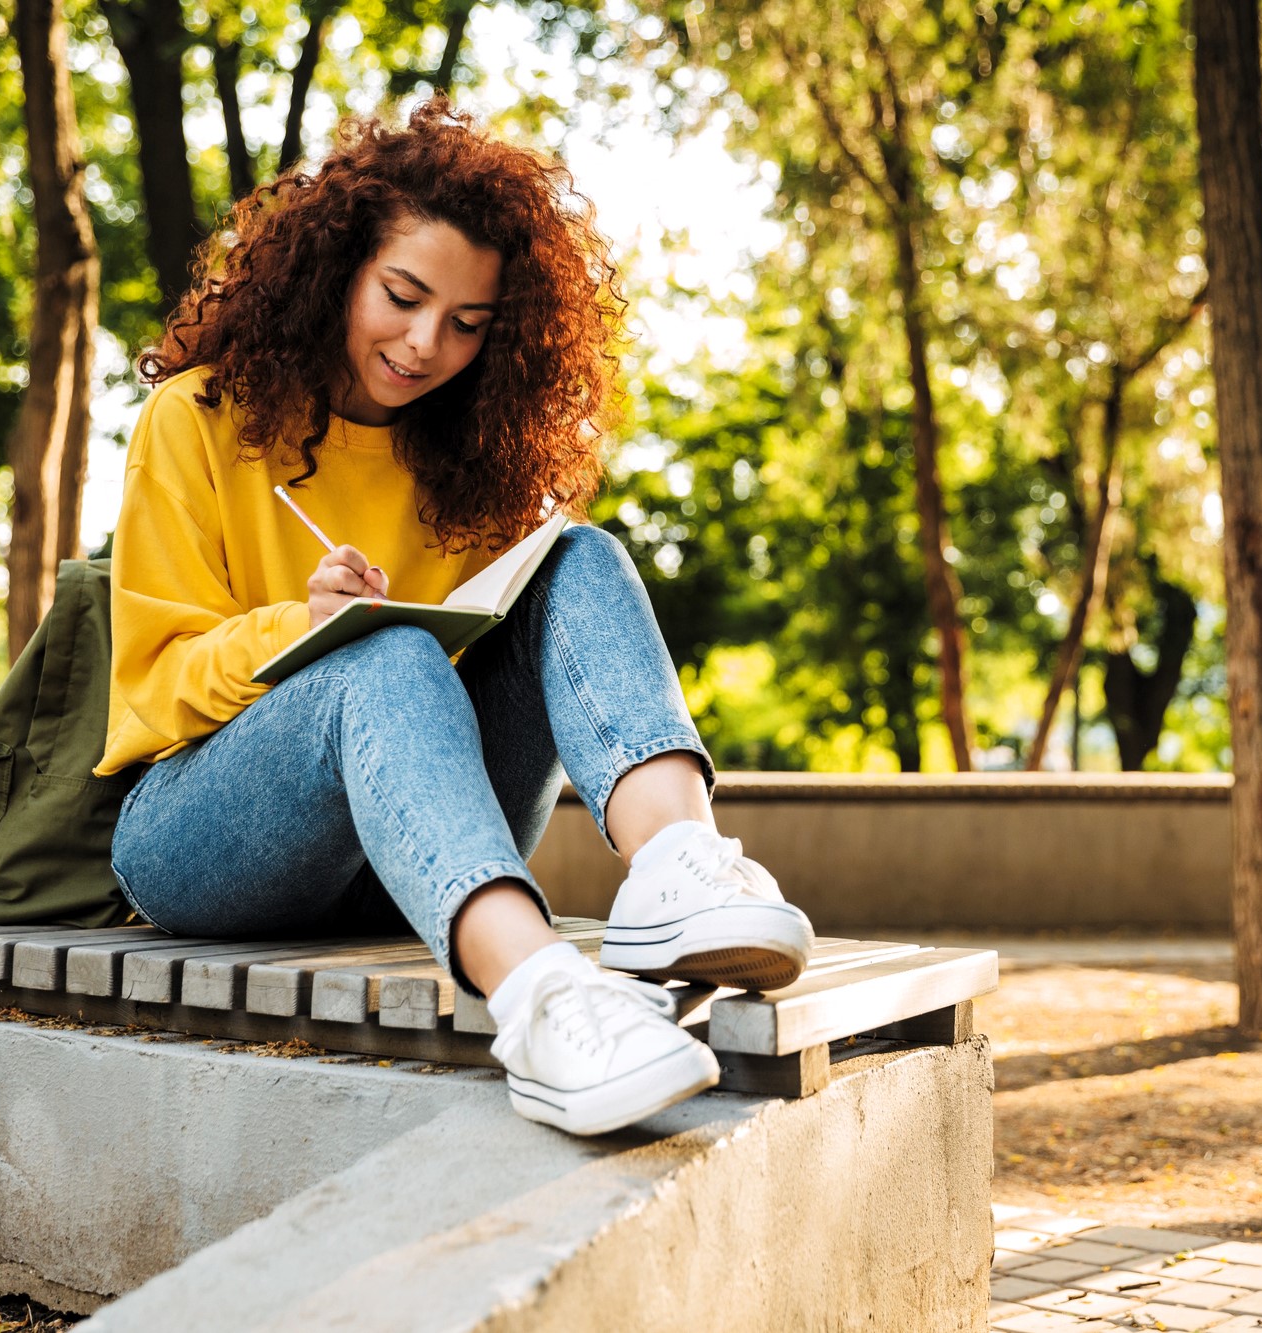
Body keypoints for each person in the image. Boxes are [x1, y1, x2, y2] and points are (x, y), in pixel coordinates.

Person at [91, 97, 813, 1137]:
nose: (425, 343)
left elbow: (503, 663)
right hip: (201, 841)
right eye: (402, 295)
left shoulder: (475, 459)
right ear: (335, 267)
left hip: (414, 855)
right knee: (383, 654)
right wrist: (301, 628)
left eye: (468, 324)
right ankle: (542, 1002)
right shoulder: (196, 417)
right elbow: (152, 689)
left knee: (577, 552)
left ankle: (675, 866)